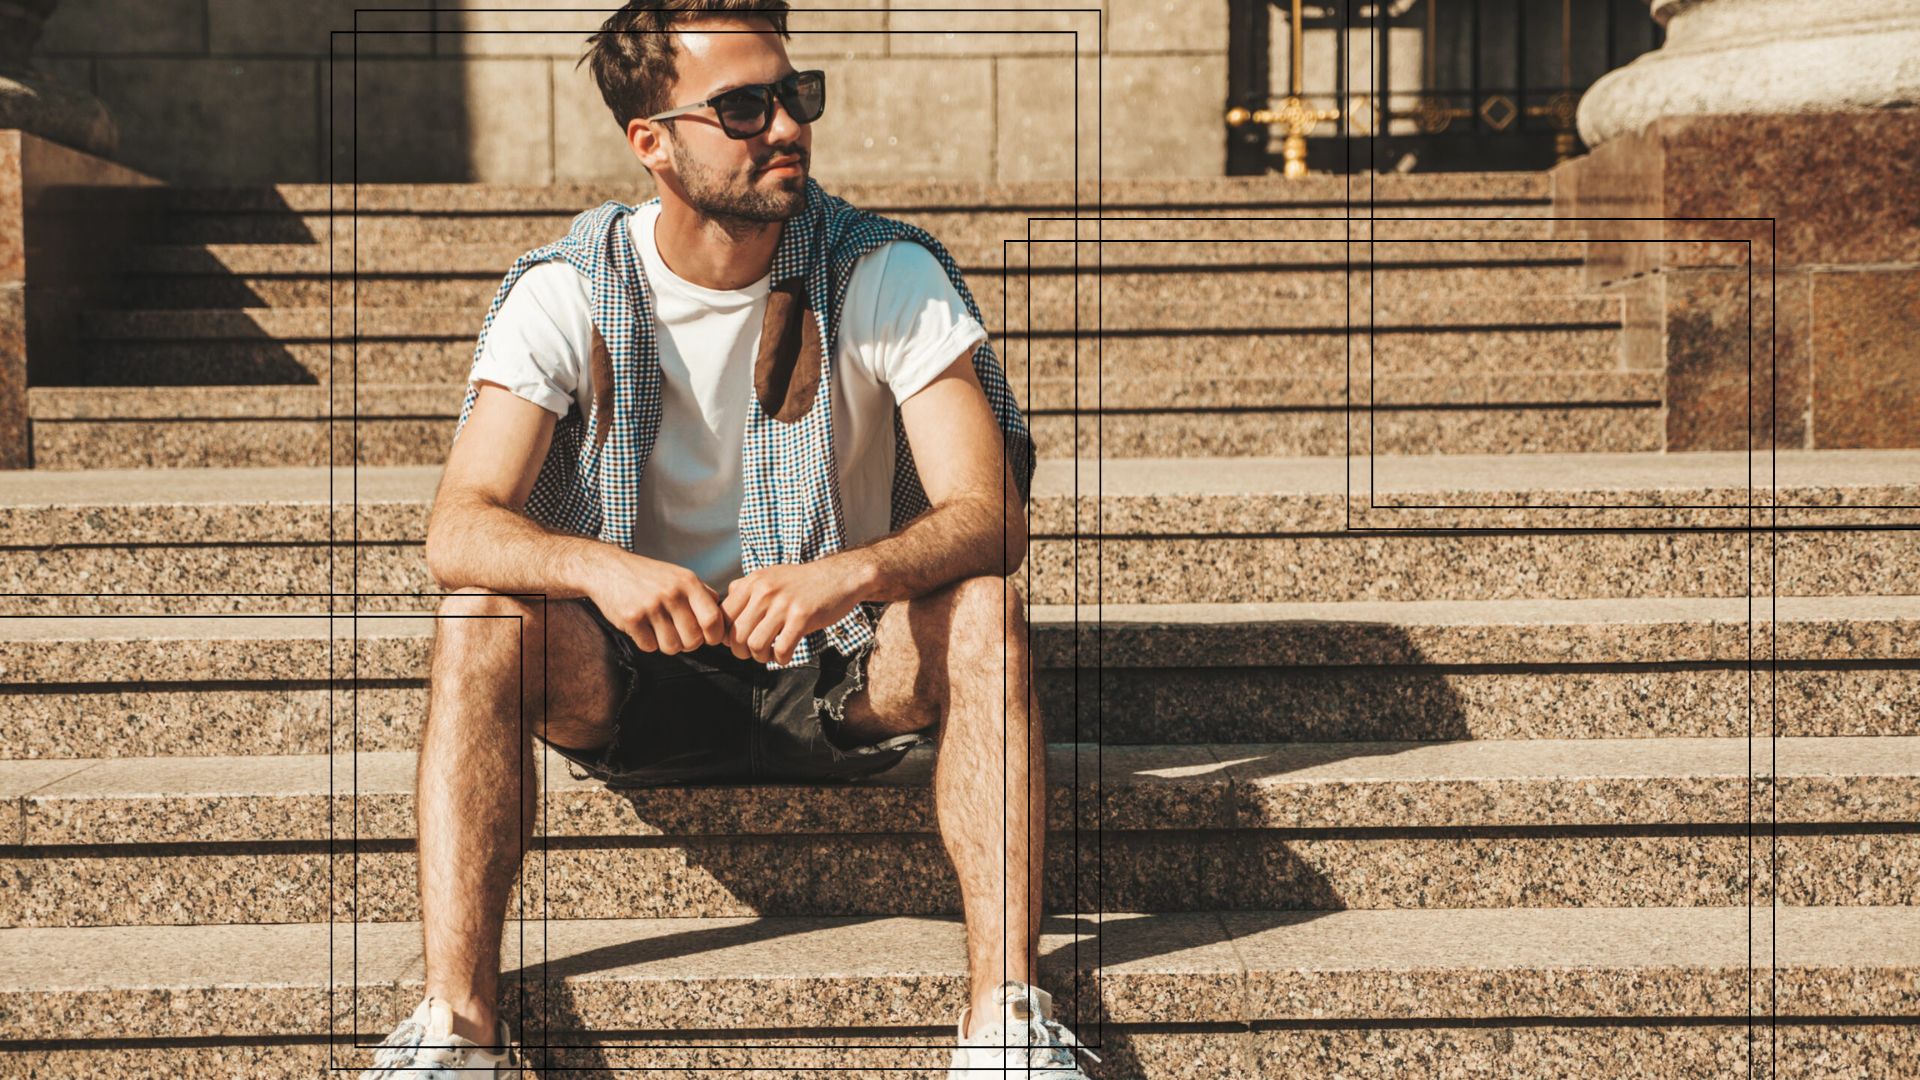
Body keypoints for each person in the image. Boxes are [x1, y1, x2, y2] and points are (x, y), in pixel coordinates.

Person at [358, 3, 1092, 1078]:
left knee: (982, 605)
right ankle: (457, 1031)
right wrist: (598, 568)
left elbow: (991, 516)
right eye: (743, 108)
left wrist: (855, 573)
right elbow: (458, 527)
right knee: (480, 614)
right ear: (650, 140)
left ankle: (1005, 1023)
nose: (785, 126)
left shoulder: (882, 272)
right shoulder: (569, 289)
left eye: (796, 96)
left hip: (838, 671)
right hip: (634, 680)